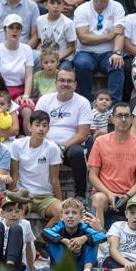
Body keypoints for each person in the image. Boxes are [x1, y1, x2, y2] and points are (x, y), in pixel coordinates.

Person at [89, 102, 136, 229]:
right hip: (105, 194)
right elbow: (92, 176)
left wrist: (127, 195)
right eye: (119, 115)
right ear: (112, 118)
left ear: (132, 119)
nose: (123, 119)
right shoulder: (100, 142)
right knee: (98, 199)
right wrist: (109, 193)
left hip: (129, 195)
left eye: (127, 116)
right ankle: (99, 239)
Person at [35, 67, 92, 202]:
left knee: (78, 152)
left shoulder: (82, 102)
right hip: (46, 145)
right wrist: (52, 147)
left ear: (75, 84)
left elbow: (83, 134)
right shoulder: (45, 100)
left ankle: (80, 196)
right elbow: (37, 127)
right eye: (61, 80)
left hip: (70, 148)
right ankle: (39, 194)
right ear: (56, 83)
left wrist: (61, 147)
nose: (65, 84)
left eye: (69, 81)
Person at [73, 0, 126, 104]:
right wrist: (108, 36)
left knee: (117, 64)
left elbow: (119, 33)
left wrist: (117, 52)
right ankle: (88, 103)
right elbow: (83, 38)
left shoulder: (117, 7)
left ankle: (114, 106)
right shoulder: (82, 10)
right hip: (86, 52)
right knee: (81, 64)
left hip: (108, 53)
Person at [10, 110, 62, 229]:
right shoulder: (17, 144)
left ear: (48, 128)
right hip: (24, 194)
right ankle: (23, 244)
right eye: (37, 125)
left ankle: (44, 237)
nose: (41, 129)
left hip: (45, 197)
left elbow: (55, 180)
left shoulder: (53, 148)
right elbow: (14, 174)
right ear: (29, 126)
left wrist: (61, 202)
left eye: (45, 125)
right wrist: (10, 196)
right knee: (16, 214)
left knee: (63, 211)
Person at [0, 14, 35, 133]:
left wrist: (26, 96)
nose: (14, 30)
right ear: (4, 30)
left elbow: (29, 75)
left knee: (28, 110)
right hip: (0, 90)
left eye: (18, 28)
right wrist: (1, 95)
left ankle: (29, 143)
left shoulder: (27, 49)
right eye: (11, 27)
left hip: (20, 91)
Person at [41, 197, 106, 271]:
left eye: (74, 213)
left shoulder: (84, 227)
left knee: (92, 239)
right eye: (67, 213)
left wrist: (84, 238)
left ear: (81, 217)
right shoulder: (59, 227)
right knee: (52, 239)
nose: (70, 216)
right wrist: (64, 241)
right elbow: (44, 232)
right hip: (61, 265)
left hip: (80, 266)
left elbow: (103, 235)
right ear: (61, 217)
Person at [0, 196, 35, 271]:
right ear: (2, 213)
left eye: (17, 211)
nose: (13, 214)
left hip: (15, 266)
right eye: (9, 211)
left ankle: (10, 267)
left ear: (21, 213)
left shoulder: (25, 224)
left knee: (16, 228)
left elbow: (28, 250)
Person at [37, 0, 76, 66]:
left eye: (59, 3)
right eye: (52, 2)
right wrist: (39, 49)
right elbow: (41, 41)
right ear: (45, 5)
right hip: (47, 58)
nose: (56, 6)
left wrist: (58, 58)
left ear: (63, 5)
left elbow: (72, 47)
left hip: (64, 58)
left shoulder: (68, 23)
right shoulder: (40, 20)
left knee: (62, 72)